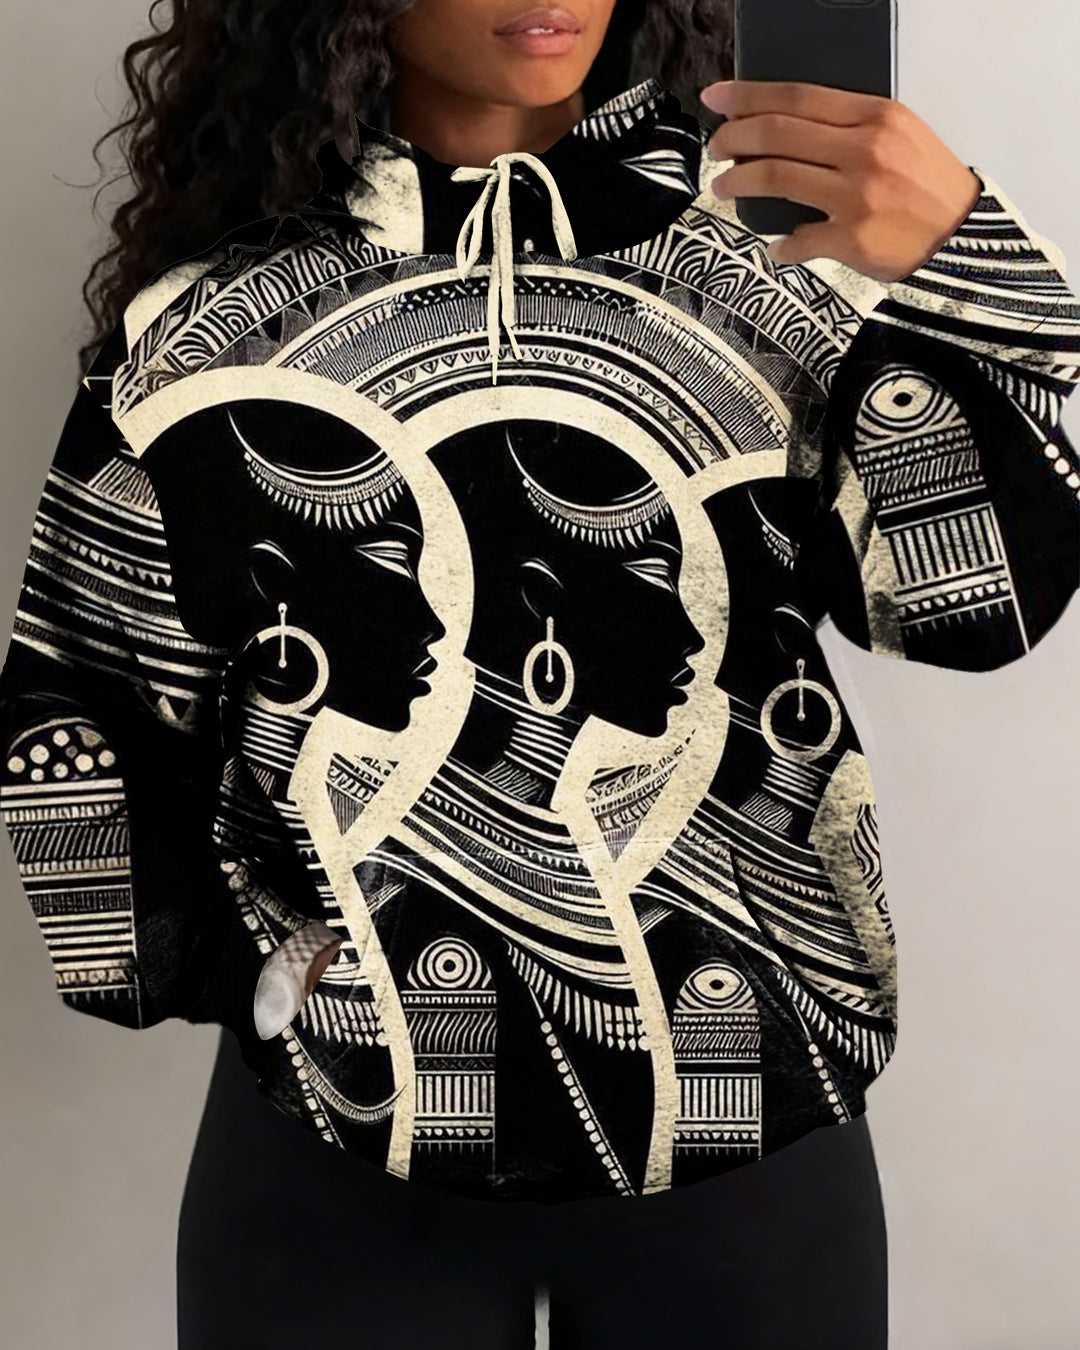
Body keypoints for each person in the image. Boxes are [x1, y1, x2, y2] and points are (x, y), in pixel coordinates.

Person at [1, 1, 1077, 1346]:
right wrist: (256, 963)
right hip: (339, 1166)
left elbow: (974, 605)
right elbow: (81, 705)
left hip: (751, 1134)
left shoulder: (778, 256)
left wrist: (967, 251)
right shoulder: (209, 327)